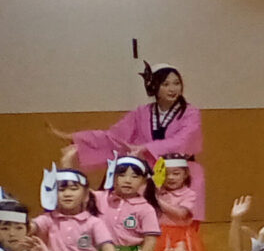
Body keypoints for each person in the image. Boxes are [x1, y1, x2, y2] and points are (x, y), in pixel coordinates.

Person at [54, 63, 203, 188]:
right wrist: (78, 139)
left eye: (177, 83)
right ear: (154, 87)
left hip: (179, 174)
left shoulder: (191, 113)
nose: (173, 89)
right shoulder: (141, 112)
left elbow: (182, 140)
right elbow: (114, 137)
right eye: (166, 84)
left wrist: (145, 148)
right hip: (149, 171)